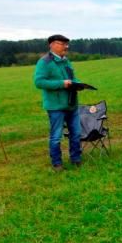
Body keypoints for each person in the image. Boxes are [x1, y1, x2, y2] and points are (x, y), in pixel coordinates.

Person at [34, 34, 83, 171]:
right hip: (55, 106)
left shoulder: (66, 61)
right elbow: (39, 82)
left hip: (71, 104)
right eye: (62, 44)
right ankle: (57, 163)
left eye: (67, 44)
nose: (66, 47)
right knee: (56, 136)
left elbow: (72, 78)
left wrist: (79, 84)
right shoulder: (44, 62)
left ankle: (76, 159)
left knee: (76, 133)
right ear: (52, 45)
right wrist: (62, 84)